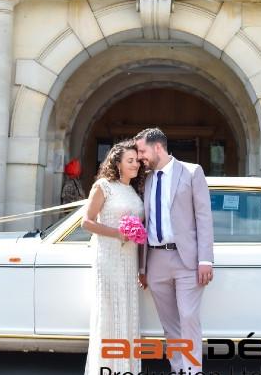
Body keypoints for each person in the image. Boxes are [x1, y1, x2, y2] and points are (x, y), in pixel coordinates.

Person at [135, 127, 215, 373]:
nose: (140, 157)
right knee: (169, 324)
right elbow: (145, 222)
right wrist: (143, 267)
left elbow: (204, 217)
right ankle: (178, 368)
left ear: (157, 147)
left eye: (142, 150)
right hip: (156, 259)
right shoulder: (147, 179)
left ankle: (193, 371)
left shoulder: (192, 172)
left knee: (189, 318)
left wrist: (206, 260)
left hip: (187, 260)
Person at [81, 141, 146, 375]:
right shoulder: (103, 186)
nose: (135, 165)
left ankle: (126, 368)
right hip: (108, 257)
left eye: (137, 161)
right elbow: (86, 222)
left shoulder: (133, 190)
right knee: (110, 310)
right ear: (117, 163)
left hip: (129, 259)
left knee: (127, 309)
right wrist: (117, 233)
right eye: (130, 161)